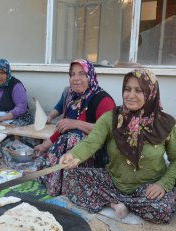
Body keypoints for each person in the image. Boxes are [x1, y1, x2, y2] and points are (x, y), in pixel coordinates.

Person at [59, 69, 176, 224]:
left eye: (139, 90)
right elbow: (92, 142)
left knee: (163, 209)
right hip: (113, 181)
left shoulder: (167, 124)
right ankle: (116, 204)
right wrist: (74, 154)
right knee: (71, 178)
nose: (130, 95)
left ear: (151, 92)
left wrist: (163, 184)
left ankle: (122, 203)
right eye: (127, 89)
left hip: (147, 188)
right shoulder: (112, 117)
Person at [33, 59, 115, 196]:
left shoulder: (103, 100)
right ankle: (60, 184)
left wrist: (76, 123)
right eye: (72, 74)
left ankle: (72, 186)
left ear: (90, 76)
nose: (76, 79)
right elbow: (62, 128)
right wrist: (45, 146)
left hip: (93, 156)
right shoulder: (73, 99)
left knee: (74, 137)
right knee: (43, 161)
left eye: (81, 74)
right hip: (67, 158)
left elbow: (107, 131)